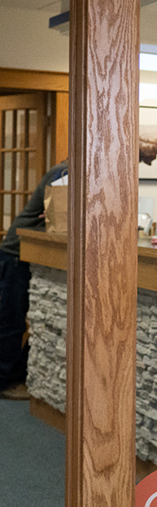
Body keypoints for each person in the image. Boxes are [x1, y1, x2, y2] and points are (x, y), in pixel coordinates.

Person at [1, 159, 69, 401]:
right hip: (16, 252)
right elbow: (63, 214)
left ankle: (17, 375)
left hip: (34, 255)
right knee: (12, 321)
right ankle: (4, 382)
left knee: (30, 319)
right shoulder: (64, 172)